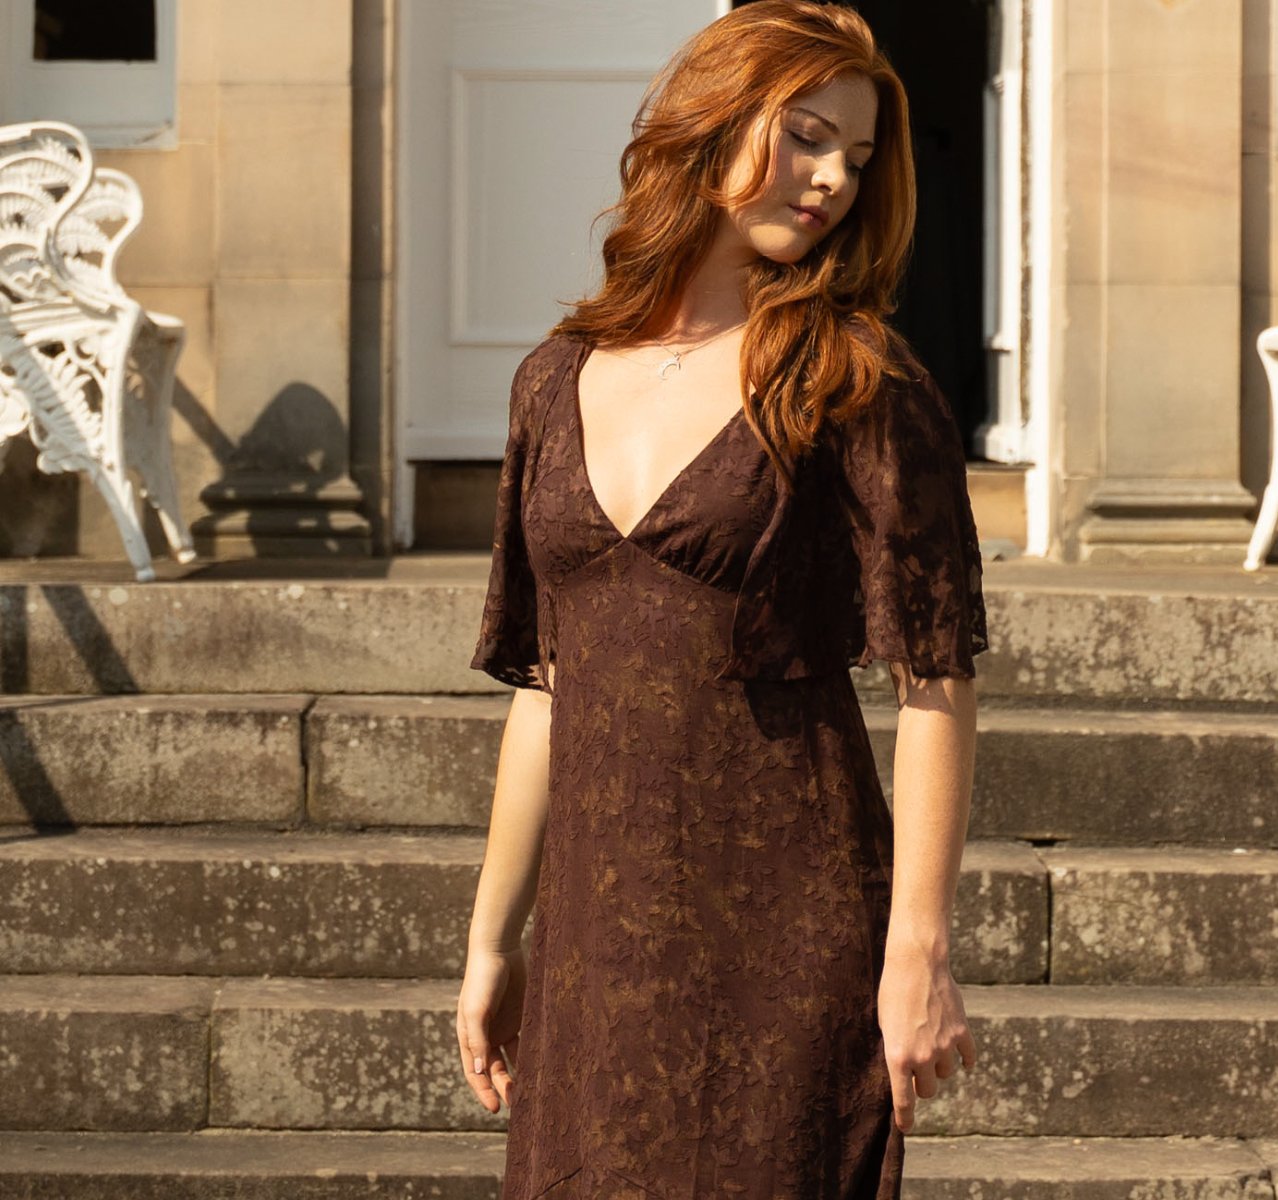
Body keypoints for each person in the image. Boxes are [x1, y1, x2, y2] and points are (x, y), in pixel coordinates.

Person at [451, 4, 988, 1196]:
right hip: (595, 937)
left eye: (852, 157)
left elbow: (934, 681)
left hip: (790, 926)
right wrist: (493, 940)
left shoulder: (855, 378)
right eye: (803, 136)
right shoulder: (552, 379)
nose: (831, 179)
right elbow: (546, 688)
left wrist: (918, 951)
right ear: (709, 121)